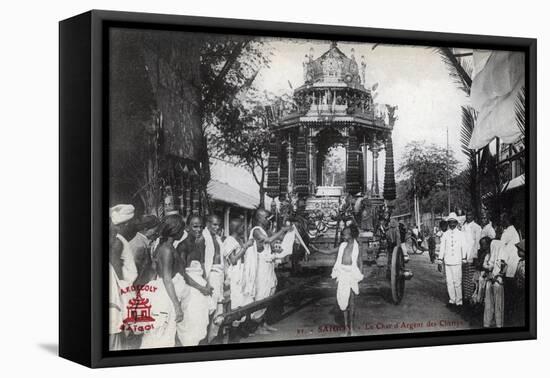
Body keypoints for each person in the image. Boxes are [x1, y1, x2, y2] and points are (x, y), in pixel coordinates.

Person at [140, 214, 187, 349]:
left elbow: (154, 272)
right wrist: (177, 306)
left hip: (162, 294)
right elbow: (167, 279)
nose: (183, 232)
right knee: (162, 335)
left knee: (160, 334)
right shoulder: (166, 249)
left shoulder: (163, 246)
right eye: (182, 229)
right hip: (166, 296)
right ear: (175, 230)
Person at [311, 225, 364, 335]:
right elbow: (330, 252)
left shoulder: (357, 246)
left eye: (345, 233)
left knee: (352, 302)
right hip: (343, 274)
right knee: (343, 301)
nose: (343, 235)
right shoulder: (342, 245)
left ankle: (352, 329)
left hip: (352, 274)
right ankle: (346, 329)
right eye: (343, 233)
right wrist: (317, 249)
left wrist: (360, 276)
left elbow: (360, 262)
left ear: (351, 234)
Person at [249, 209, 291, 335]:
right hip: (260, 269)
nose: (269, 220)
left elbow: (276, 240)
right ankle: (256, 327)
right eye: (267, 217)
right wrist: (282, 231)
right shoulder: (256, 230)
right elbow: (267, 241)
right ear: (259, 218)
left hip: (268, 267)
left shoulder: (266, 230)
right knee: (261, 295)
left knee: (269, 293)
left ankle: (263, 323)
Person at [176, 215, 212, 346]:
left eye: (201, 227)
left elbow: (202, 265)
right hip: (190, 289)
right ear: (187, 227)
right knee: (191, 321)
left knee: (201, 320)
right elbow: (182, 273)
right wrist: (200, 288)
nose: (199, 229)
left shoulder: (199, 244)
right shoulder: (182, 246)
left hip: (201, 288)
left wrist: (207, 283)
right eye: (195, 226)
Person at [109, 204, 138, 351]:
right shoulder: (117, 241)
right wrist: (125, 294)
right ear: (125, 224)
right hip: (119, 286)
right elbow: (116, 269)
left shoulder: (118, 238)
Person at [223, 218, 254, 332]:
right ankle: (233, 331)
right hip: (235, 275)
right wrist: (246, 246)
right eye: (242, 227)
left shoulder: (239, 239)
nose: (244, 229)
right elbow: (233, 260)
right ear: (236, 228)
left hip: (242, 274)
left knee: (244, 301)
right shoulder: (229, 241)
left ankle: (241, 328)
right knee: (235, 302)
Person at [203, 214, 225, 342]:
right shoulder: (203, 237)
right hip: (209, 275)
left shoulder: (217, 238)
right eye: (214, 224)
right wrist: (205, 281)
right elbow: (203, 261)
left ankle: (213, 338)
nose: (217, 227)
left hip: (218, 275)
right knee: (208, 308)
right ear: (207, 223)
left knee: (218, 309)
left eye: (218, 225)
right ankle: (205, 339)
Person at [438, 212, 468, 310]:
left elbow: (464, 247)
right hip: (447, 261)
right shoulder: (445, 234)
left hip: (457, 261)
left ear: (456, 223)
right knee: (449, 282)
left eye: (453, 222)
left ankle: (459, 302)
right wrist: (439, 260)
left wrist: (464, 258)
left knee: (457, 282)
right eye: (450, 222)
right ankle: (452, 300)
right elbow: (442, 247)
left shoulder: (461, 234)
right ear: (448, 223)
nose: (452, 224)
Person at [129, 215, 160, 282]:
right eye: (155, 230)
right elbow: (136, 271)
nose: (157, 233)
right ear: (145, 229)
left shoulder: (143, 241)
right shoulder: (139, 245)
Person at [483, 240, 505, 327]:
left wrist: (495, 277)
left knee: (495, 304)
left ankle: (497, 323)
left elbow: (502, 270)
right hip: (492, 281)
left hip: (496, 282)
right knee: (491, 303)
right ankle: (489, 322)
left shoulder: (500, 259)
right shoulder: (492, 257)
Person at [462, 211, 482, 304]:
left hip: (472, 255)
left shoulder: (477, 227)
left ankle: (471, 299)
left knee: (471, 277)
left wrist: (475, 256)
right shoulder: (463, 227)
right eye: (467, 214)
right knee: (465, 276)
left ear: (473, 216)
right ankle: (465, 297)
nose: (468, 216)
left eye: (470, 214)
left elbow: (477, 243)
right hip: (464, 255)